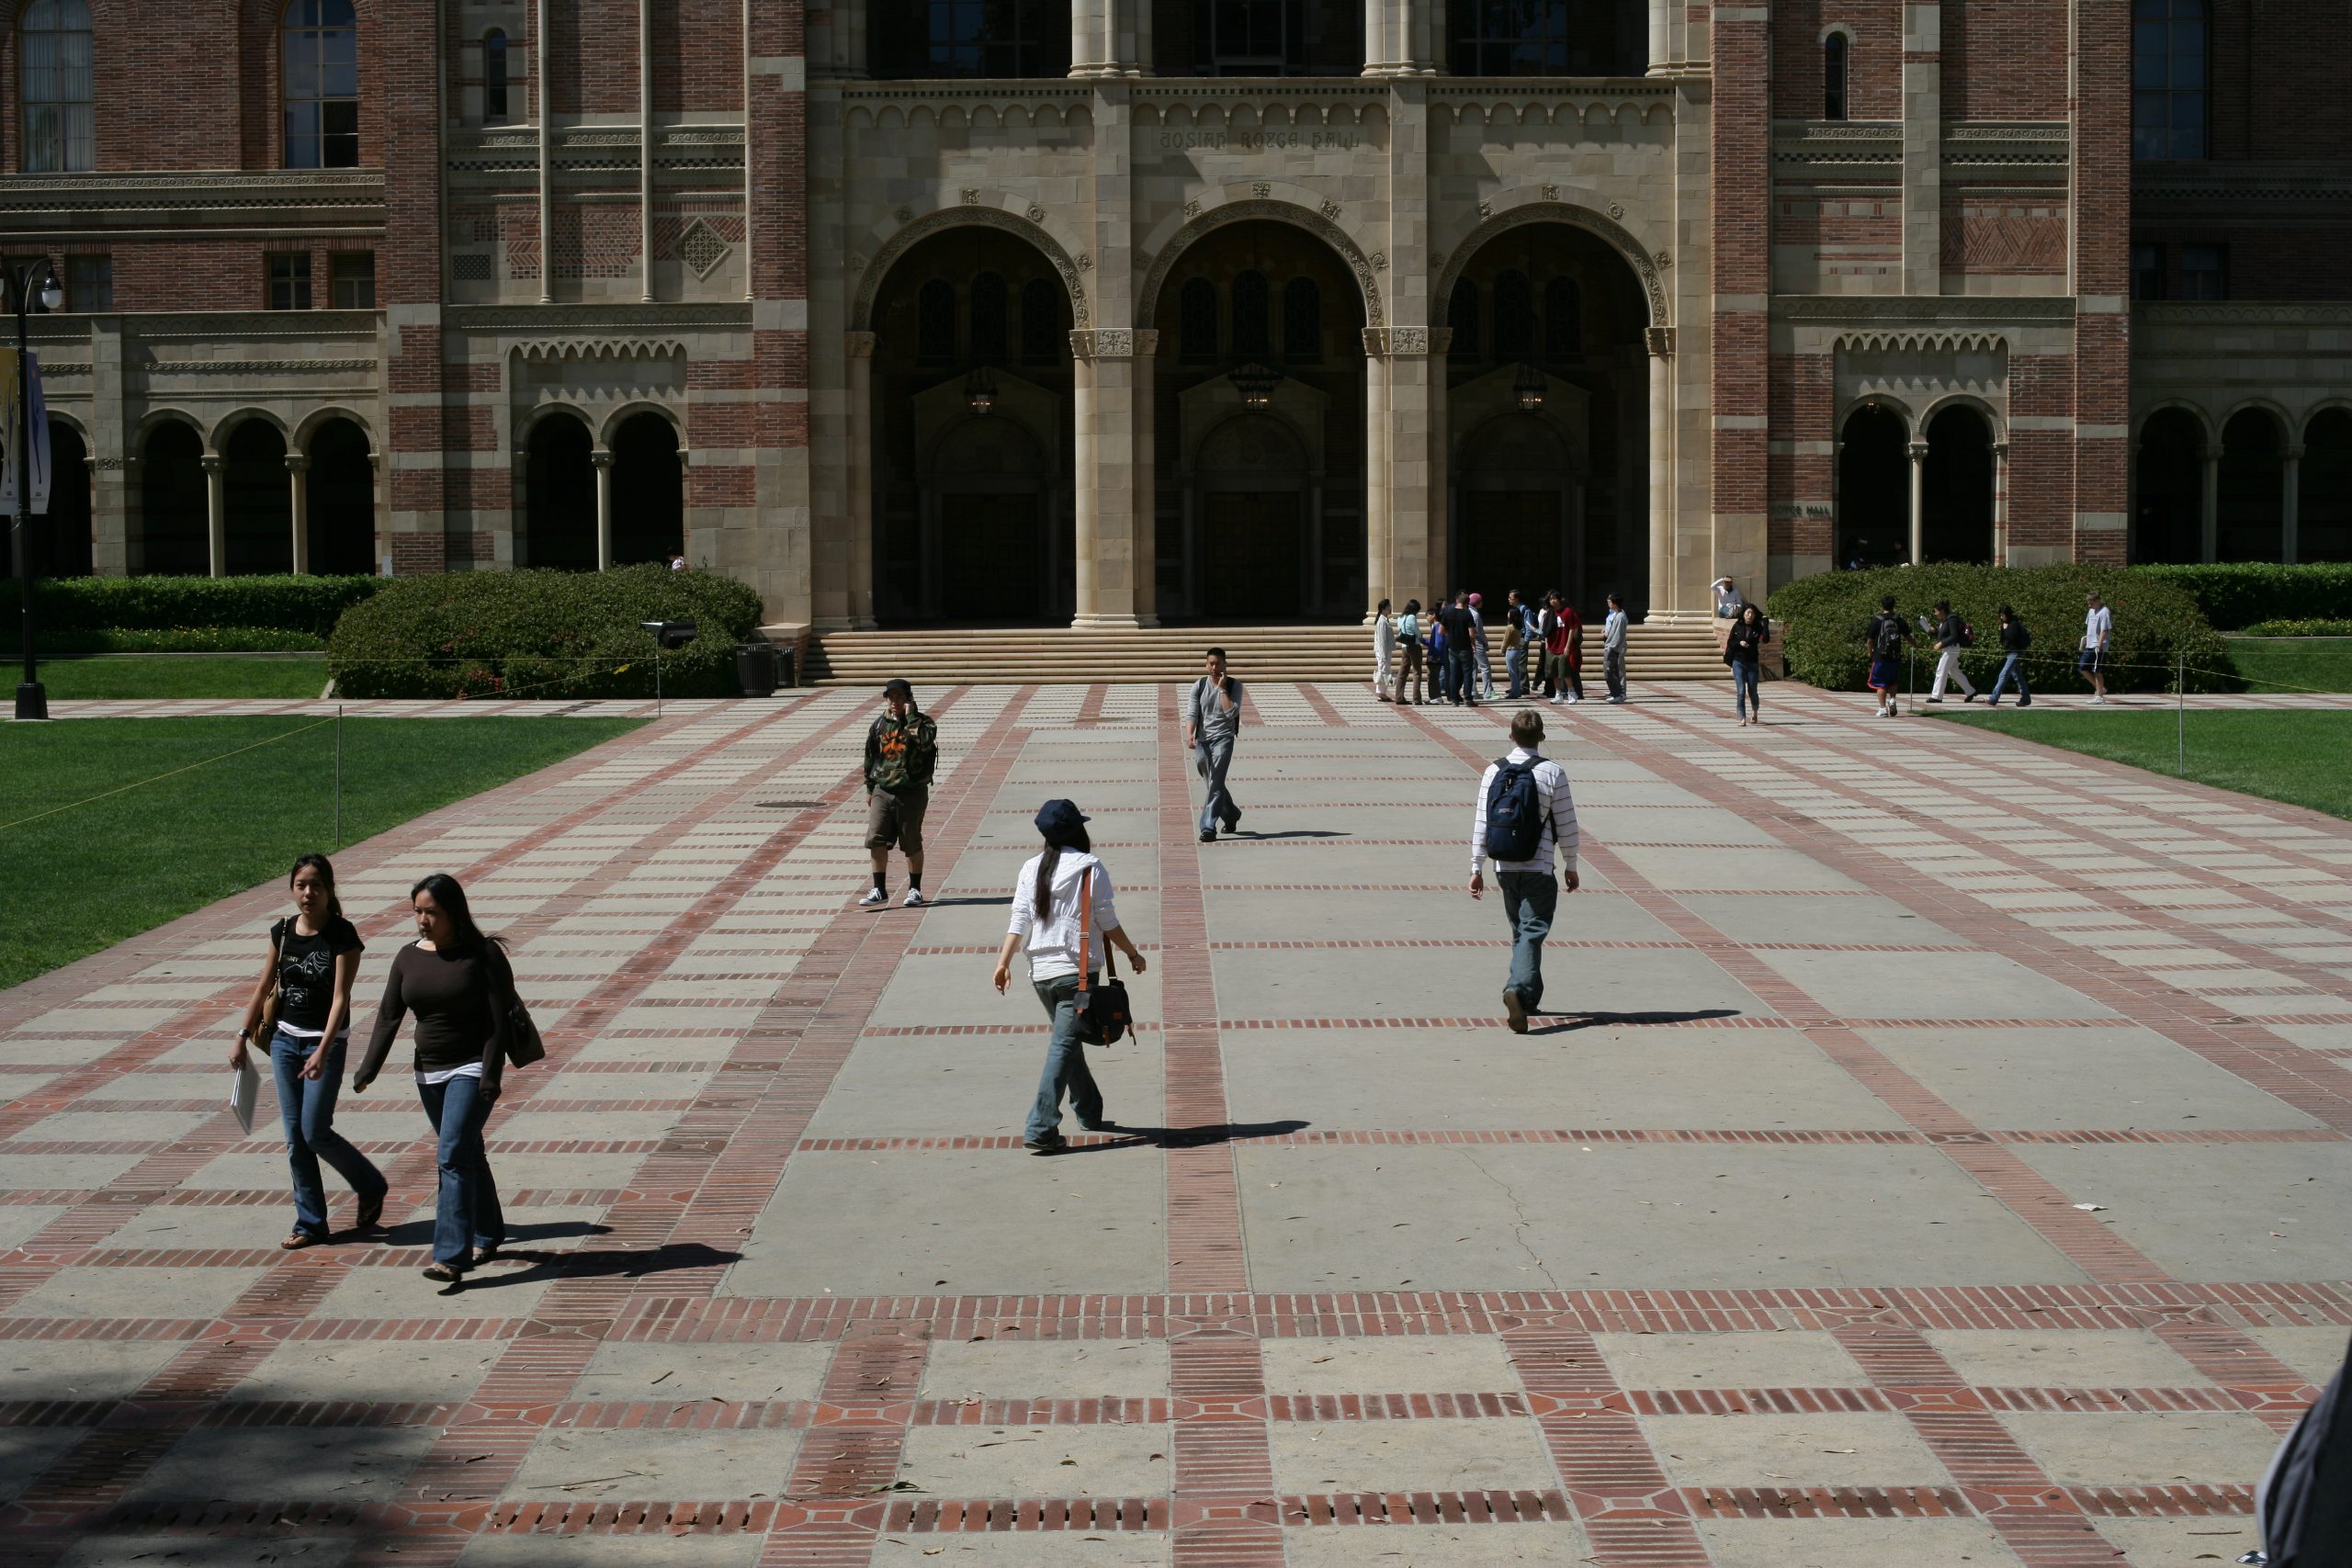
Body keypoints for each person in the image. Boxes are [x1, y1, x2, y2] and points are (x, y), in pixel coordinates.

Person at [354, 874, 511, 1286]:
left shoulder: (483, 955)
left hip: (472, 1067)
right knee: (466, 1153)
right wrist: (368, 1068)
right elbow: (389, 1016)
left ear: (452, 913)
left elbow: (499, 1021)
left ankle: (449, 1256)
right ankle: (489, 1231)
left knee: (451, 1156)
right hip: (429, 1071)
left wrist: (491, 1075)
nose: (423, 920)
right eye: (417, 912)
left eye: (431, 912)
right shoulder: (407, 957)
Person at [232, 853, 386, 1251]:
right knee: (295, 1138)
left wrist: (322, 1048)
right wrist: (241, 1035)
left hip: (326, 1044)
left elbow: (341, 999)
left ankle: (370, 1184)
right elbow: (263, 985)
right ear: (291, 889)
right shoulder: (282, 932)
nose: (308, 893)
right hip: (284, 1042)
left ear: (329, 890)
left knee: (314, 1130)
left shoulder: (342, 935)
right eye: (301, 885)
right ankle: (311, 1224)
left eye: (316, 885)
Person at [991, 800, 1148, 1155]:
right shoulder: (1089, 868)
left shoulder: (1032, 868)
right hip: (1076, 975)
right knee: (1062, 1046)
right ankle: (1041, 1127)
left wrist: (1003, 964)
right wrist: (1133, 954)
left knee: (1068, 1040)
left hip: (1041, 975)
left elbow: (1019, 919)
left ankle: (1089, 1110)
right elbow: (1106, 921)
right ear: (1079, 830)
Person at [1469, 709, 1581, 1033]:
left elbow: (1482, 820)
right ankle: (1517, 989)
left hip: (1504, 864)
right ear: (1542, 738)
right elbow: (1567, 823)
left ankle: (1528, 999)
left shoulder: (1493, 771)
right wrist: (1571, 865)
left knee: (1522, 932)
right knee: (1533, 930)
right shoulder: (1552, 772)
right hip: (1539, 864)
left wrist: (1477, 867)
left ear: (1511, 736)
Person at [861, 678, 939, 907]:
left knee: (911, 841)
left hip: (911, 791)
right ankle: (879, 889)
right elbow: (870, 757)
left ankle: (915, 890)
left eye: (899, 697)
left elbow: (925, 742)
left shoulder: (923, 723)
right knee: (875, 838)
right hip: (882, 789)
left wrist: (911, 716)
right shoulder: (878, 725)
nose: (894, 701)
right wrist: (869, 787)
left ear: (908, 699)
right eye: (891, 697)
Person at [1184, 647, 1245, 842]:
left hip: (1224, 738)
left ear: (1224, 664)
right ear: (1206, 664)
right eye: (1211, 663)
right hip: (1203, 740)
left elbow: (1230, 713)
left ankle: (1208, 827)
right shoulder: (1199, 685)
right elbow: (1192, 713)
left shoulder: (1235, 685)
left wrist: (1221, 689)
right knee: (1213, 783)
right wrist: (1190, 734)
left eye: (1218, 663)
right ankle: (1231, 813)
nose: (1214, 667)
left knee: (1216, 782)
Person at [1923, 598, 1979, 705]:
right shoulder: (1944, 620)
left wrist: (1941, 644)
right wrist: (1934, 631)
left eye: (1936, 611)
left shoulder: (1951, 619)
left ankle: (1936, 696)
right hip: (1948, 649)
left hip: (1951, 649)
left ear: (1942, 611)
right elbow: (1943, 634)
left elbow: (1954, 636)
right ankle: (1971, 691)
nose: (1935, 614)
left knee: (1941, 671)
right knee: (1954, 672)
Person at [1864, 593, 1908, 717]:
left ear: (1882, 605)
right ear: (1894, 605)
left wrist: (1870, 652)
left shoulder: (1877, 620)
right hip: (1895, 655)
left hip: (1880, 657)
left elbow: (1870, 640)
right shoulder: (1898, 619)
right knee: (1893, 681)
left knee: (1881, 683)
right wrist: (1916, 646)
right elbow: (1908, 636)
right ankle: (1893, 699)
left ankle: (1883, 708)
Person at [1725, 602, 1770, 725]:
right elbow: (1730, 643)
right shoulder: (1737, 626)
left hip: (1752, 662)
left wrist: (1765, 625)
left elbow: (1765, 640)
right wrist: (1739, 643)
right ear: (1743, 614)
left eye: (1752, 613)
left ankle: (1755, 711)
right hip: (1738, 661)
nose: (1750, 615)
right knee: (1741, 691)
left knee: (1752, 690)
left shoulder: (1757, 627)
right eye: (1748, 613)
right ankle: (1742, 717)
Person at [1987, 604, 2034, 706]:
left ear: (2007, 614)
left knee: (2003, 674)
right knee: (2018, 677)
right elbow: (2003, 641)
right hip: (2010, 653)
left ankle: (1994, 698)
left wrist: (2005, 629)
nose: (2001, 617)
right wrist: (2003, 629)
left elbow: (2012, 637)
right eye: (2000, 615)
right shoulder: (2006, 624)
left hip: (2015, 653)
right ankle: (2026, 698)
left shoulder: (2014, 624)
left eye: (2003, 615)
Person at [1437, 593, 1477, 705]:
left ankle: (1454, 699)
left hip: (1452, 647)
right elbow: (1472, 633)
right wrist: (1472, 642)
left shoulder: (1448, 612)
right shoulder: (1467, 613)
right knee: (1467, 673)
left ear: (1457, 600)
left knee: (1454, 673)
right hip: (1465, 647)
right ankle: (1468, 698)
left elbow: (1440, 631)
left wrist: (1450, 633)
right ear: (1467, 603)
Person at [1544, 592, 1584, 705]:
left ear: (1560, 599)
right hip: (1552, 646)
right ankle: (1558, 694)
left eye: (1554, 599)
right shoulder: (1550, 613)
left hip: (1563, 646)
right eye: (1551, 599)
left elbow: (1572, 628)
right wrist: (1547, 643)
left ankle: (1572, 693)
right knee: (1554, 672)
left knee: (1564, 671)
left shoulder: (1568, 612)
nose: (1552, 601)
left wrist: (1567, 645)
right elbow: (1545, 630)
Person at [2080, 590, 2112, 704]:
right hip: (2090, 645)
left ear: (2098, 600)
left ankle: (2100, 697)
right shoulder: (2091, 611)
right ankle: (2101, 689)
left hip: (2100, 646)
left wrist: (2099, 645)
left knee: (2097, 670)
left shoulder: (2104, 612)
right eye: (2088, 603)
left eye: (2091, 603)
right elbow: (2090, 627)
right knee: (2082, 667)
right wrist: (2085, 640)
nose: (2089, 605)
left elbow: (2104, 629)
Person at [1391, 599, 1424, 704]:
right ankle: (1416, 698)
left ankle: (1399, 697)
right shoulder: (1412, 617)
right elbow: (1417, 632)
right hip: (1414, 646)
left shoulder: (1400, 618)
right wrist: (1421, 637)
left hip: (1404, 646)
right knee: (1417, 672)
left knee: (1402, 672)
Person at [1601, 592, 1629, 704]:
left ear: (1615, 603)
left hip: (1614, 648)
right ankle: (1616, 693)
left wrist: (1611, 647)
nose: (1608, 604)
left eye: (1610, 602)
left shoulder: (1621, 616)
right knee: (1611, 671)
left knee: (1609, 671)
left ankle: (1619, 693)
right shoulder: (1617, 615)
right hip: (1612, 646)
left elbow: (1618, 634)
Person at [1468, 592, 1495, 700]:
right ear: (1476, 602)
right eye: (1480, 601)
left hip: (1469, 642)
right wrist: (1485, 643)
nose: (1482, 603)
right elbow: (1479, 632)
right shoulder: (1475, 614)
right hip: (1477, 642)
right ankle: (1488, 692)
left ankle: (1473, 691)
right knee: (1485, 668)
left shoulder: (1467, 611)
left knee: (1473, 668)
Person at [1372, 598, 1396, 701]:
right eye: (1388, 606)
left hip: (1385, 651)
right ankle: (1381, 693)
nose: (1390, 608)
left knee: (1384, 671)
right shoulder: (1382, 621)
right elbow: (1381, 640)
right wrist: (1383, 655)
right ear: (1384, 609)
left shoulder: (1384, 620)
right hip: (1383, 651)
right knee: (1383, 671)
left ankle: (1381, 692)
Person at [1501, 605, 1527, 700]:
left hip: (1511, 651)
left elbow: (1506, 640)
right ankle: (1516, 690)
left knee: (1512, 673)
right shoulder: (1519, 626)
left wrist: (1502, 649)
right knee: (1515, 672)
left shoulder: (1510, 627)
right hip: (1518, 651)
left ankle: (1515, 692)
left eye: (1509, 612)